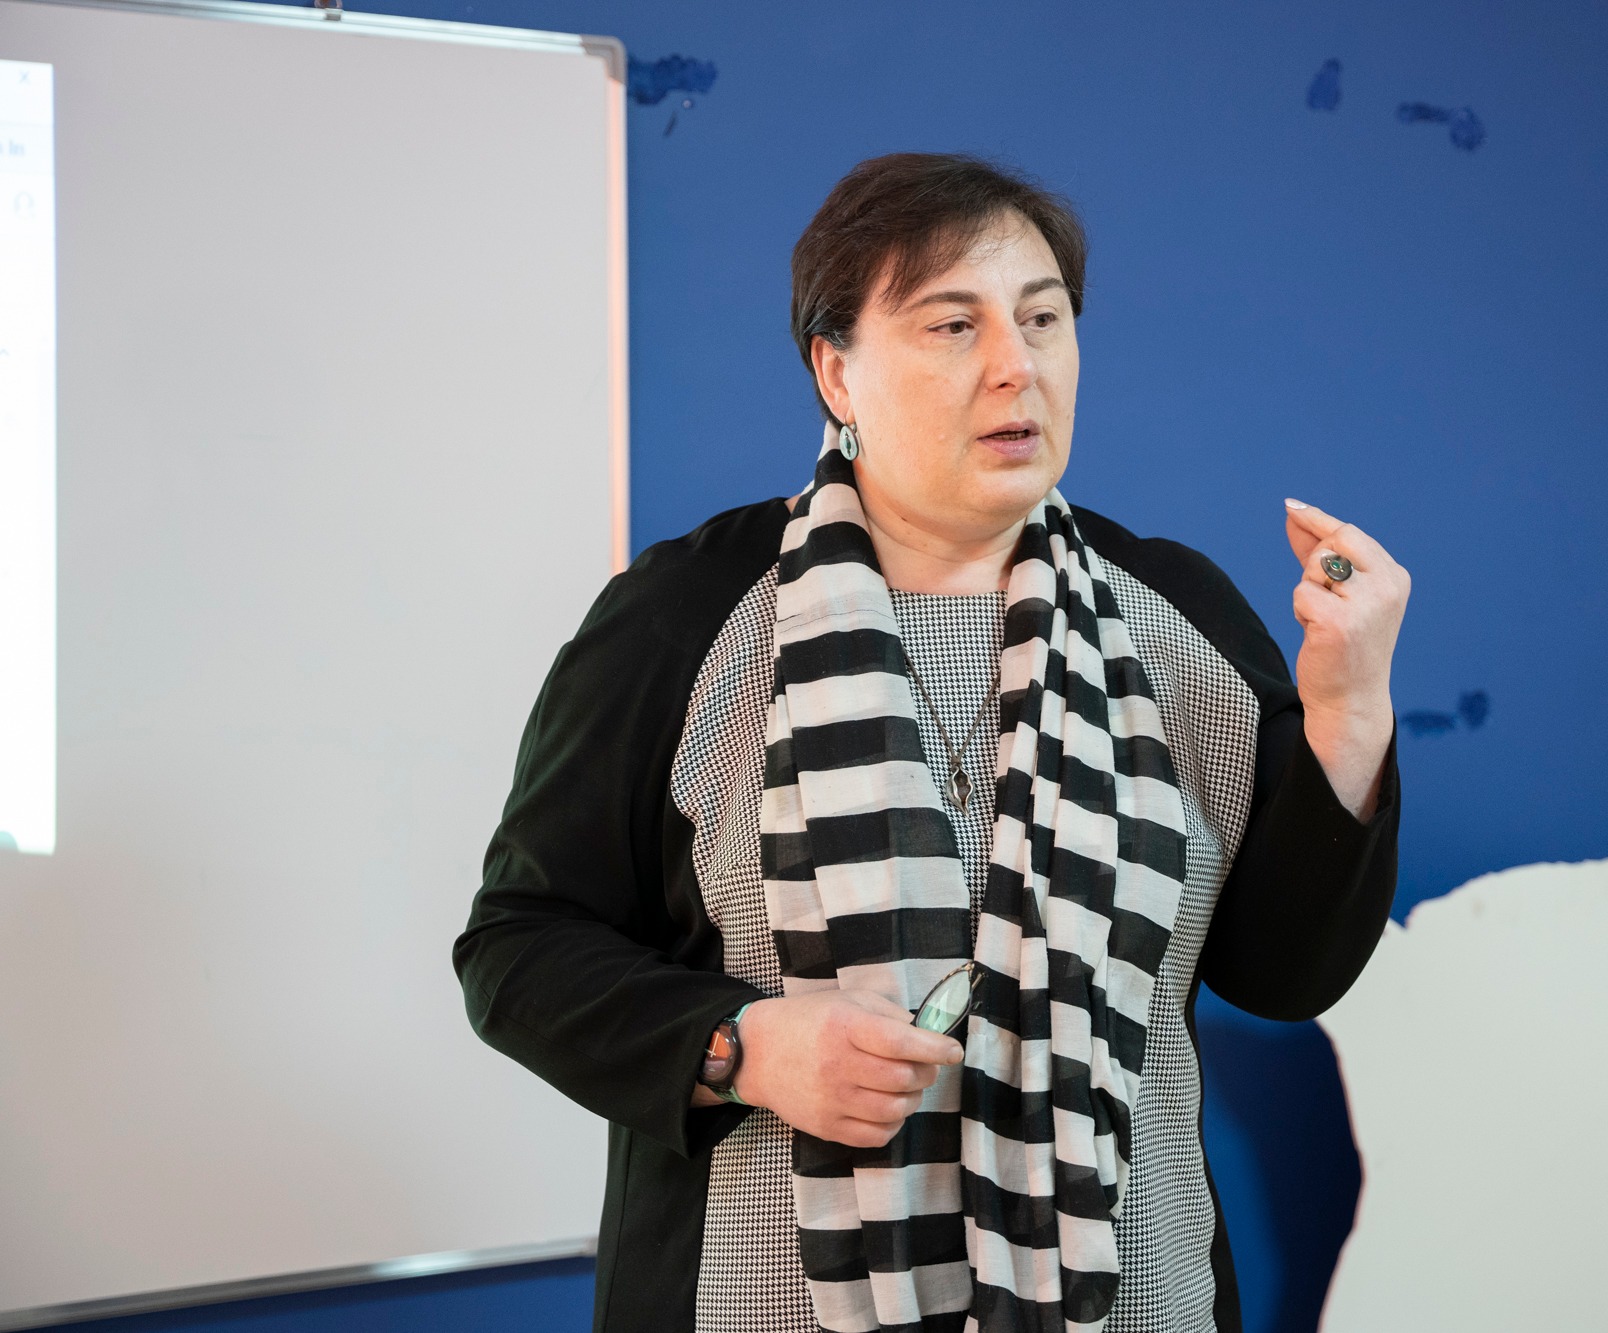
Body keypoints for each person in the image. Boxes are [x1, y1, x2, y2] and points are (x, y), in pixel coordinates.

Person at [454, 152, 1406, 1333]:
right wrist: (740, 1045)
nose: (1016, 364)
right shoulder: (682, 617)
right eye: (953, 325)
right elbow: (519, 949)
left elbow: (1285, 972)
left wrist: (1346, 712)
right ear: (835, 371)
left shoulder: (1175, 615)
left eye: (1042, 319)